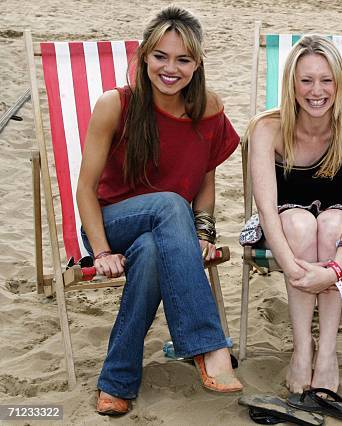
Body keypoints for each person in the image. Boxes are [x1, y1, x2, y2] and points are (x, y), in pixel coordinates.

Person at [76, 6, 243, 416]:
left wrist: (202, 233)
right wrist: (101, 252)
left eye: (183, 59)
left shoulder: (209, 110)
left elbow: (206, 181)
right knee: (170, 203)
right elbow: (84, 191)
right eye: (160, 56)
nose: (171, 69)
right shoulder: (115, 105)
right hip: (110, 223)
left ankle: (116, 382)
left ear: (197, 63)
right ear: (144, 56)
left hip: (170, 235)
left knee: (152, 251)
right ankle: (207, 345)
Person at [240, 35, 342, 393]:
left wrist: (334, 269)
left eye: (326, 80)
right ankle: (303, 349)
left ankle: (327, 351)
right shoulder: (267, 127)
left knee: (332, 223)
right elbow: (266, 208)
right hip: (284, 228)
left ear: (338, 84)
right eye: (306, 80)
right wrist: (293, 267)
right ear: (292, 84)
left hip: (341, 231)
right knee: (300, 223)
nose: (317, 91)